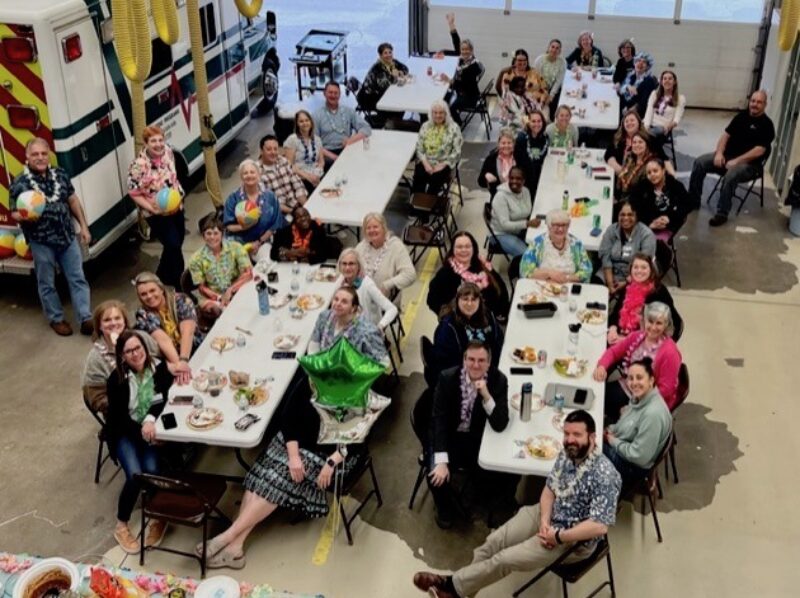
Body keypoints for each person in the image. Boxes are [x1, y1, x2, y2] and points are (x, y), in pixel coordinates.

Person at [195, 292, 384, 568]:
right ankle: (234, 544)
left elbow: (355, 437)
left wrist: (331, 462)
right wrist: (293, 454)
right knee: (263, 474)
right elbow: (288, 416)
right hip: (297, 443)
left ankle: (226, 538)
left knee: (278, 477)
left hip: (329, 454)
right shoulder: (311, 379)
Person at [413, 409, 621, 598]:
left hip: (571, 540)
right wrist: (545, 520)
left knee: (503, 559)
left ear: (592, 437)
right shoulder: (567, 454)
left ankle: (450, 585)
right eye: (566, 434)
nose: (570, 440)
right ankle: (460, 591)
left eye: (577, 435)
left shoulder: (605, 475)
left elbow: (599, 526)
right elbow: (549, 489)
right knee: (492, 542)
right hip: (546, 514)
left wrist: (557, 536)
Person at [9, 137, 92, 336]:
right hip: (41, 241)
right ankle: (56, 319)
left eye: (44, 154)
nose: (40, 158)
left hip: (67, 237)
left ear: (49, 155)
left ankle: (86, 318)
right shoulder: (20, 183)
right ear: (27, 157)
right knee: (46, 282)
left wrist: (84, 227)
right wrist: (23, 215)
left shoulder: (60, 174)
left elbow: (72, 200)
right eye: (35, 154)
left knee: (78, 278)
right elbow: (13, 212)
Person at [426, 341, 514, 529]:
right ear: (464, 360)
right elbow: (438, 420)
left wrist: (487, 396)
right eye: (471, 359)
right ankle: (444, 509)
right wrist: (442, 459)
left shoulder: (498, 381)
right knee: (435, 475)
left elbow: (500, 424)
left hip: (474, 437)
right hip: (447, 436)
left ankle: (484, 493)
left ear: (489, 363)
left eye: (481, 360)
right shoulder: (447, 378)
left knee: (500, 472)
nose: (475, 365)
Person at [106, 330, 173, 554]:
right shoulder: (116, 380)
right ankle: (121, 524)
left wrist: (151, 421)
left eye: (138, 348)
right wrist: (145, 432)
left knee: (153, 470)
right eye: (129, 351)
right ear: (122, 356)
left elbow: (163, 399)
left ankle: (158, 516)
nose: (135, 354)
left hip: (147, 428)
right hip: (125, 432)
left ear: (145, 347)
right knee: (135, 475)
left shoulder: (159, 369)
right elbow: (118, 420)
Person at [688, 89, 775, 226]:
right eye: (753, 101)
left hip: (751, 165)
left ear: (765, 105)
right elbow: (726, 136)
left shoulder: (767, 125)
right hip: (727, 157)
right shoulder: (741, 117)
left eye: (759, 102)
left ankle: (722, 213)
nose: (754, 104)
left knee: (731, 175)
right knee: (700, 162)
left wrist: (737, 161)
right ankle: (693, 202)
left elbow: (760, 150)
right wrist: (719, 153)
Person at [593, 301, 682, 421]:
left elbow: (665, 390)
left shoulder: (670, 353)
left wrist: (636, 406)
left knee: (598, 406)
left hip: (648, 401)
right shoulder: (638, 336)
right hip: (627, 386)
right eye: (650, 321)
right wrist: (602, 366)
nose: (653, 327)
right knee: (594, 395)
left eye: (659, 323)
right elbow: (614, 352)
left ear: (666, 324)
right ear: (644, 320)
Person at [82, 300, 170, 414]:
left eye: (117, 318)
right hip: (125, 413)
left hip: (158, 395)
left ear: (124, 321)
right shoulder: (95, 359)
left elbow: (161, 365)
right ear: (99, 326)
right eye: (107, 320)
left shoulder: (142, 337)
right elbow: (96, 398)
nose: (113, 323)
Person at [126, 126, 186, 289]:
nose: (158, 144)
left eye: (160, 140)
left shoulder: (168, 151)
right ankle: (181, 283)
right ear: (145, 143)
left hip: (176, 207)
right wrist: (151, 208)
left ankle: (158, 277)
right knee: (173, 245)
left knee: (176, 243)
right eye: (153, 141)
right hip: (157, 213)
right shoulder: (139, 166)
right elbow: (133, 191)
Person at [603, 358, 672, 496]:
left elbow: (639, 456)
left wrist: (612, 441)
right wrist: (609, 430)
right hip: (626, 447)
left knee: (585, 448)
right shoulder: (639, 399)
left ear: (651, 380)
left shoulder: (653, 414)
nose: (634, 383)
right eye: (630, 378)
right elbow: (624, 424)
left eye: (639, 378)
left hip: (631, 468)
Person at [429, 284, 504, 386]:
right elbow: (446, 365)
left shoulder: (488, 317)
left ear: (480, 301)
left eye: (473, 299)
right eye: (465, 299)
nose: (469, 303)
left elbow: (498, 344)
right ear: (457, 300)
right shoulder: (447, 328)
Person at [427, 231, 509, 318]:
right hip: (465, 325)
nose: (463, 250)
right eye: (459, 247)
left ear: (474, 248)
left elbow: (500, 286)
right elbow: (432, 300)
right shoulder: (446, 273)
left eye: (467, 246)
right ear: (453, 250)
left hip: (494, 317)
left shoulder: (482, 264)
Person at [607, 254, 682, 346]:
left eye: (644, 267)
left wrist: (626, 340)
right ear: (631, 270)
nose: (639, 271)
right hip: (622, 335)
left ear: (651, 270)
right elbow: (616, 312)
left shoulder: (658, 293)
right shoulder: (629, 287)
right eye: (636, 267)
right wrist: (612, 329)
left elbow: (659, 330)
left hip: (646, 345)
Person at [188, 216, 252, 321]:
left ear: (222, 234)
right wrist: (220, 298)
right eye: (208, 233)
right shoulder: (195, 259)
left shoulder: (235, 247)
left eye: (216, 233)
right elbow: (202, 287)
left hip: (236, 288)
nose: (212, 237)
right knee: (217, 313)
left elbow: (248, 273)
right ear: (203, 236)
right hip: (213, 296)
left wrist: (230, 290)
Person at [133, 271, 203, 365]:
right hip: (172, 359)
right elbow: (163, 341)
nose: (149, 296)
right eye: (143, 294)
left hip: (195, 347)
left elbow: (187, 332)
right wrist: (181, 367)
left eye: (152, 290)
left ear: (161, 289)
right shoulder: (142, 315)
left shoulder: (180, 300)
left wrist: (183, 361)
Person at [223, 159, 285, 261]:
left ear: (258, 175)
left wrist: (259, 242)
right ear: (241, 177)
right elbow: (229, 226)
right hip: (238, 242)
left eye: (252, 172)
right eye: (245, 173)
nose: (249, 175)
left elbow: (275, 224)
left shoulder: (269, 196)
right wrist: (245, 226)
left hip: (261, 241)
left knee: (267, 261)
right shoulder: (233, 198)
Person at [308, 286, 389, 364]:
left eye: (344, 301)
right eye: (336, 299)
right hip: (322, 368)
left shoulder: (366, 331)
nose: (338, 304)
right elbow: (314, 344)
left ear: (353, 308)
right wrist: (315, 366)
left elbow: (384, 362)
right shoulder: (324, 317)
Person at [354, 212, 416, 306]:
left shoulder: (396, 246)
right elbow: (346, 264)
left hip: (385, 302)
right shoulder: (362, 246)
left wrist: (387, 285)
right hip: (361, 299)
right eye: (368, 228)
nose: (372, 230)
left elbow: (410, 274)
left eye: (375, 227)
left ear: (384, 228)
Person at [519, 210, 592, 283]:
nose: (560, 229)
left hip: (569, 287)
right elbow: (525, 270)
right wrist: (549, 273)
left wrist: (566, 278)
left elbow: (586, 270)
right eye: (556, 225)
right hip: (542, 287)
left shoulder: (576, 244)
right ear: (549, 226)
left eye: (564, 225)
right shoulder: (537, 243)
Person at [598, 201, 656, 293]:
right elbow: (605, 257)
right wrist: (610, 283)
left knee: (626, 301)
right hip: (611, 271)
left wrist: (626, 283)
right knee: (595, 286)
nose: (626, 218)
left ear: (636, 216)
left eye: (630, 215)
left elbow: (643, 265)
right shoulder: (612, 230)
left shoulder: (646, 235)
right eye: (622, 215)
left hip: (635, 275)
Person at [336, 248, 398, 330]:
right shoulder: (340, 281)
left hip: (366, 333)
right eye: (344, 264)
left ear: (359, 266)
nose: (347, 268)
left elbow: (392, 309)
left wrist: (380, 327)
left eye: (351, 264)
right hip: (348, 329)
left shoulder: (367, 285)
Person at [631, 158, 691, 241]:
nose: (652, 175)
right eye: (649, 173)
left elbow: (687, 205)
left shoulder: (676, 186)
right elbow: (635, 206)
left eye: (655, 171)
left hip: (669, 226)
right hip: (647, 225)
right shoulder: (642, 187)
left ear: (663, 171)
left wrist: (669, 218)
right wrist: (650, 223)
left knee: (655, 246)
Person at [314, 81, 372, 165]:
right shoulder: (316, 115)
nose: (333, 95)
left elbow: (366, 128)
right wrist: (334, 157)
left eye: (336, 93)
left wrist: (351, 140)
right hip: (327, 153)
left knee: (365, 159)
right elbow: (314, 143)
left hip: (347, 149)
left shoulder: (348, 111)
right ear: (324, 94)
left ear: (339, 95)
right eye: (330, 92)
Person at [440, 12, 483, 124]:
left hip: (469, 97)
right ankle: (442, 121)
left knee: (450, 107)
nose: (464, 51)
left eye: (467, 49)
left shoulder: (473, 66)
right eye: (462, 49)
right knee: (441, 99)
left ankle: (458, 124)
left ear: (472, 50)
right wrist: (451, 24)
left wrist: (449, 80)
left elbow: (462, 84)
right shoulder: (463, 59)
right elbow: (456, 40)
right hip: (460, 91)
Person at [413, 100, 463, 195]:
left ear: (446, 114)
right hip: (426, 161)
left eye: (441, 113)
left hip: (443, 163)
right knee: (418, 179)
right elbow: (419, 147)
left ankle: (431, 206)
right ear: (431, 114)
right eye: (435, 113)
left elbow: (457, 151)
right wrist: (425, 163)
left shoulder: (454, 128)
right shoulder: (425, 126)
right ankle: (416, 206)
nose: (438, 115)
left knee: (434, 182)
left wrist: (443, 164)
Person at [605, 109, 672, 176]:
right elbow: (609, 154)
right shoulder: (619, 138)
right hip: (622, 176)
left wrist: (673, 177)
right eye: (626, 121)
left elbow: (664, 158)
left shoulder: (649, 138)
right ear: (623, 125)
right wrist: (619, 169)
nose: (629, 123)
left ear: (639, 123)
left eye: (632, 120)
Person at [357, 42, 409, 125]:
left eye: (390, 52)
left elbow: (405, 68)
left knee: (400, 102)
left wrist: (400, 72)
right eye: (385, 53)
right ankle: (391, 122)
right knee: (398, 104)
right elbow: (384, 86)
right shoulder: (377, 68)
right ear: (380, 55)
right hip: (370, 97)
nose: (388, 55)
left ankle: (395, 121)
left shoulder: (392, 63)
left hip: (381, 93)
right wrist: (394, 77)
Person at [490, 167, 537, 257]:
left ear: (524, 180)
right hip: (501, 234)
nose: (514, 181)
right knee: (527, 256)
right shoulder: (500, 197)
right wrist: (527, 224)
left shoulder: (526, 191)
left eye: (518, 178)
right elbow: (505, 225)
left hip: (518, 230)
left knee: (541, 247)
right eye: (512, 178)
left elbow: (527, 211)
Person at [270, 205, 342, 264]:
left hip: (310, 265)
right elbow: (273, 254)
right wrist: (288, 253)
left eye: (306, 215)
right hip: (290, 265)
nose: (303, 219)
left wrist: (305, 256)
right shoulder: (284, 232)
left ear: (310, 216)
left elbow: (322, 254)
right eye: (299, 217)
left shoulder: (318, 229)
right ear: (294, 221)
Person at [257, 135, 307, 214]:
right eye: (269, 149)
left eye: (275, 149)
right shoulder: (257, 171)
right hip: (279, 211)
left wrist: (306, 208)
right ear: (261, 151)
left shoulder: (282, 160)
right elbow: (267, 201)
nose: (273, 152)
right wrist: (293, 212)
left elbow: (297, 184)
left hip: (296, 204)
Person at [284, 110, 326, 192]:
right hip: (300, 176)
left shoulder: (317, 139)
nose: (305, 123)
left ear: (311, 122)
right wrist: (308, 177)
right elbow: (289, 165)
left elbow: (321, 161)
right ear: (297, 124)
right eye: (301, 121)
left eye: (307, 120)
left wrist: (316, 174)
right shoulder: (292, 139)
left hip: (316, 174)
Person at [513, 109, 549, 195]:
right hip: (525, 179)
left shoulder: (545, 138)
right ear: (529, 123)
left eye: (539, 121)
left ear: (543, 122)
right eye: (533, 121)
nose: (536, 124)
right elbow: (519, 162)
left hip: (540, 175)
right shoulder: (521, 139)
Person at [643, 70, 686, 140]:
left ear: (674, 82)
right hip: (648, 124)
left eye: (670, 78)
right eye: (664, 78)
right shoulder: (654, 94)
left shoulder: (680, 98)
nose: (667, 81)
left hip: (663, 128)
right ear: (661, 82)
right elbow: (649, 111)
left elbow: (676, 119)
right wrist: (646, 127)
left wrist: (670, 126)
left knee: (649, 135)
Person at [615, 132, 657, 200]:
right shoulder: (630, 157)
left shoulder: (650, 166)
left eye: (640, 142)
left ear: (647, 144)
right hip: (621, 196)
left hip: (636, 204)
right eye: (634, 142)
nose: (637, 145)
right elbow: (621, 177)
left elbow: (643, 195)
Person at [478, 129, 516, 198]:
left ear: (513, 144)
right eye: (503, 143)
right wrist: (486, 177)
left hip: (516, 196)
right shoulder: (491, 159)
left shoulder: (519, 157)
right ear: (498, 144)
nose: (506, 146)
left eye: (509, 143)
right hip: (498, 197)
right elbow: (480, 181)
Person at [533, 39, 567, 118]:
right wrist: (543, 94)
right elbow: (536, 78)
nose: (554, 50)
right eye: (553, 47)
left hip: (553, 88)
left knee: (555, 107)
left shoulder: (562, 62)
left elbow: (559, 81)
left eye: (557, 48)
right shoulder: (539, 60)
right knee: (539, 108)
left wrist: (551, 95)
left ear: (560, 51)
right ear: (548, 48)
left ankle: (552, 122)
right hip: (539, 87)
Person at [618, 52, 658, 117]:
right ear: (634, 63)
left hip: (637, 113)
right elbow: (620, 89)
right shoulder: (631, 76)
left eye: (644, 62)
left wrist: (629, 112)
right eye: (638, 61)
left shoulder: (649, 81)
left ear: (647, 67)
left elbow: (643, 103)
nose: (640, 63)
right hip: (624, 106)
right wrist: (627, 87)